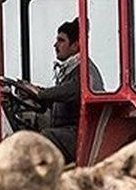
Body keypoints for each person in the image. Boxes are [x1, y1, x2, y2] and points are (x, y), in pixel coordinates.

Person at [14, 18, 102, 160]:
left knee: (44, 137)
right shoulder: (69, 70)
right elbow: (59, 98)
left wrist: (40, 93)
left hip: (79, 133)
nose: (55, 45)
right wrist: (32, 93)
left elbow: (70, 91)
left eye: (61, 41)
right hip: (68, 130)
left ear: (75, 46)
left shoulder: (84, 72)